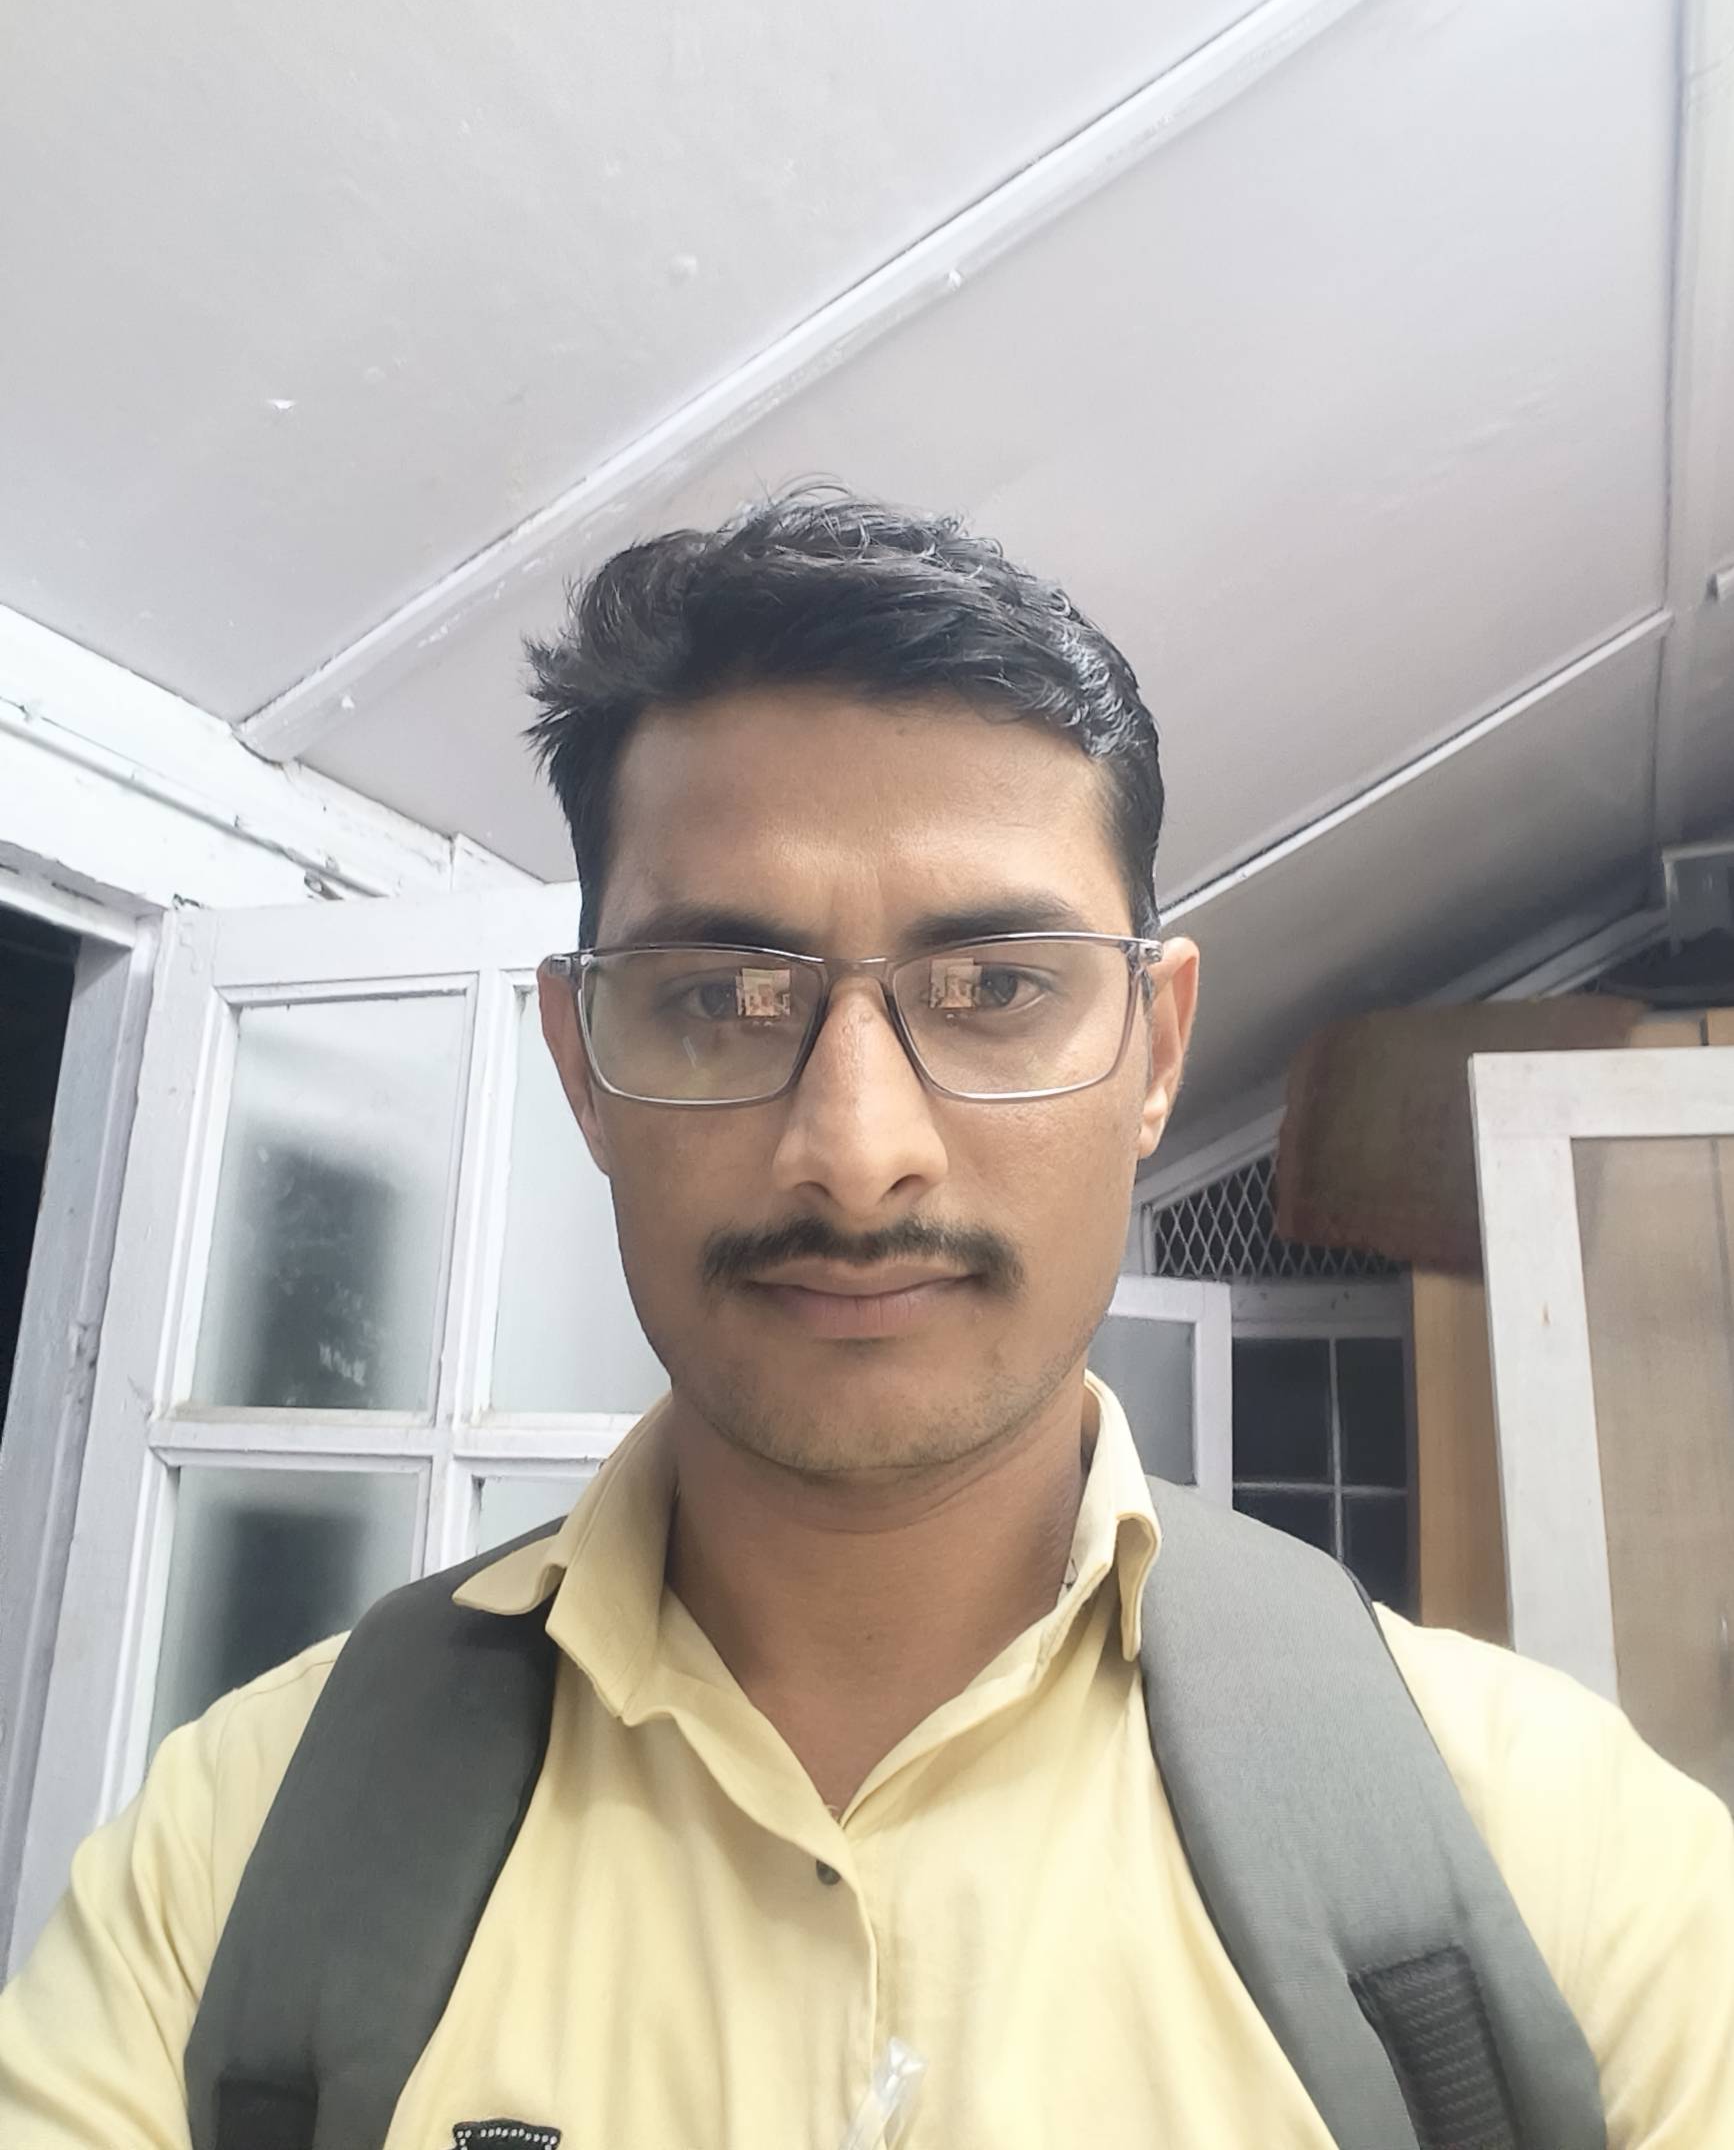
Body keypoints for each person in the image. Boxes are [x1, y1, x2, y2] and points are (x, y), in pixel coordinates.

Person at [0, 491, 1729, 2147]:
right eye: (719, 996)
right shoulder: (231, 1866)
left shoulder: (1562, 1868)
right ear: (578, 1067)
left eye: (994, 989)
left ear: (1156, 1053)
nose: (854, 1149)